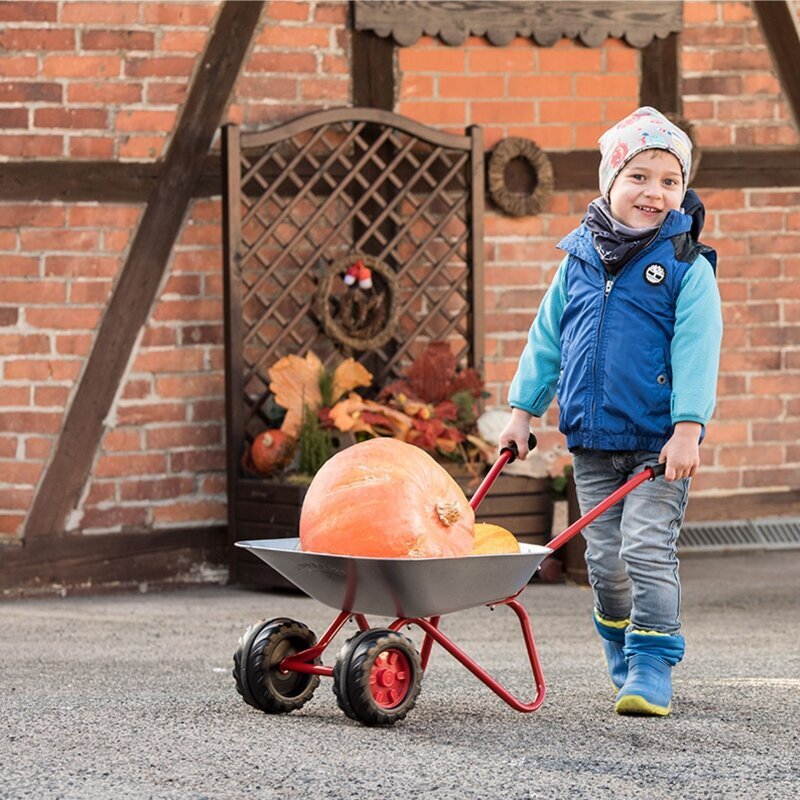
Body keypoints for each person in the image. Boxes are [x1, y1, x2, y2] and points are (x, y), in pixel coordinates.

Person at [499, 107, 723, 717]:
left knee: (646, 548)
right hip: (593, 441)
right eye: (640, 176)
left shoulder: (685, 265)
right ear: (610, 182)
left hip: (658, 446)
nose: (654, 191)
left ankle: (653, 664)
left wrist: (688, 429)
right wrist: (522, 413)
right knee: (603, 560)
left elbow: (698, 351)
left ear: (682, 192)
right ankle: (622, 648)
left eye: (669, 181)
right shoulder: (577, 261)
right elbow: (546, 340)